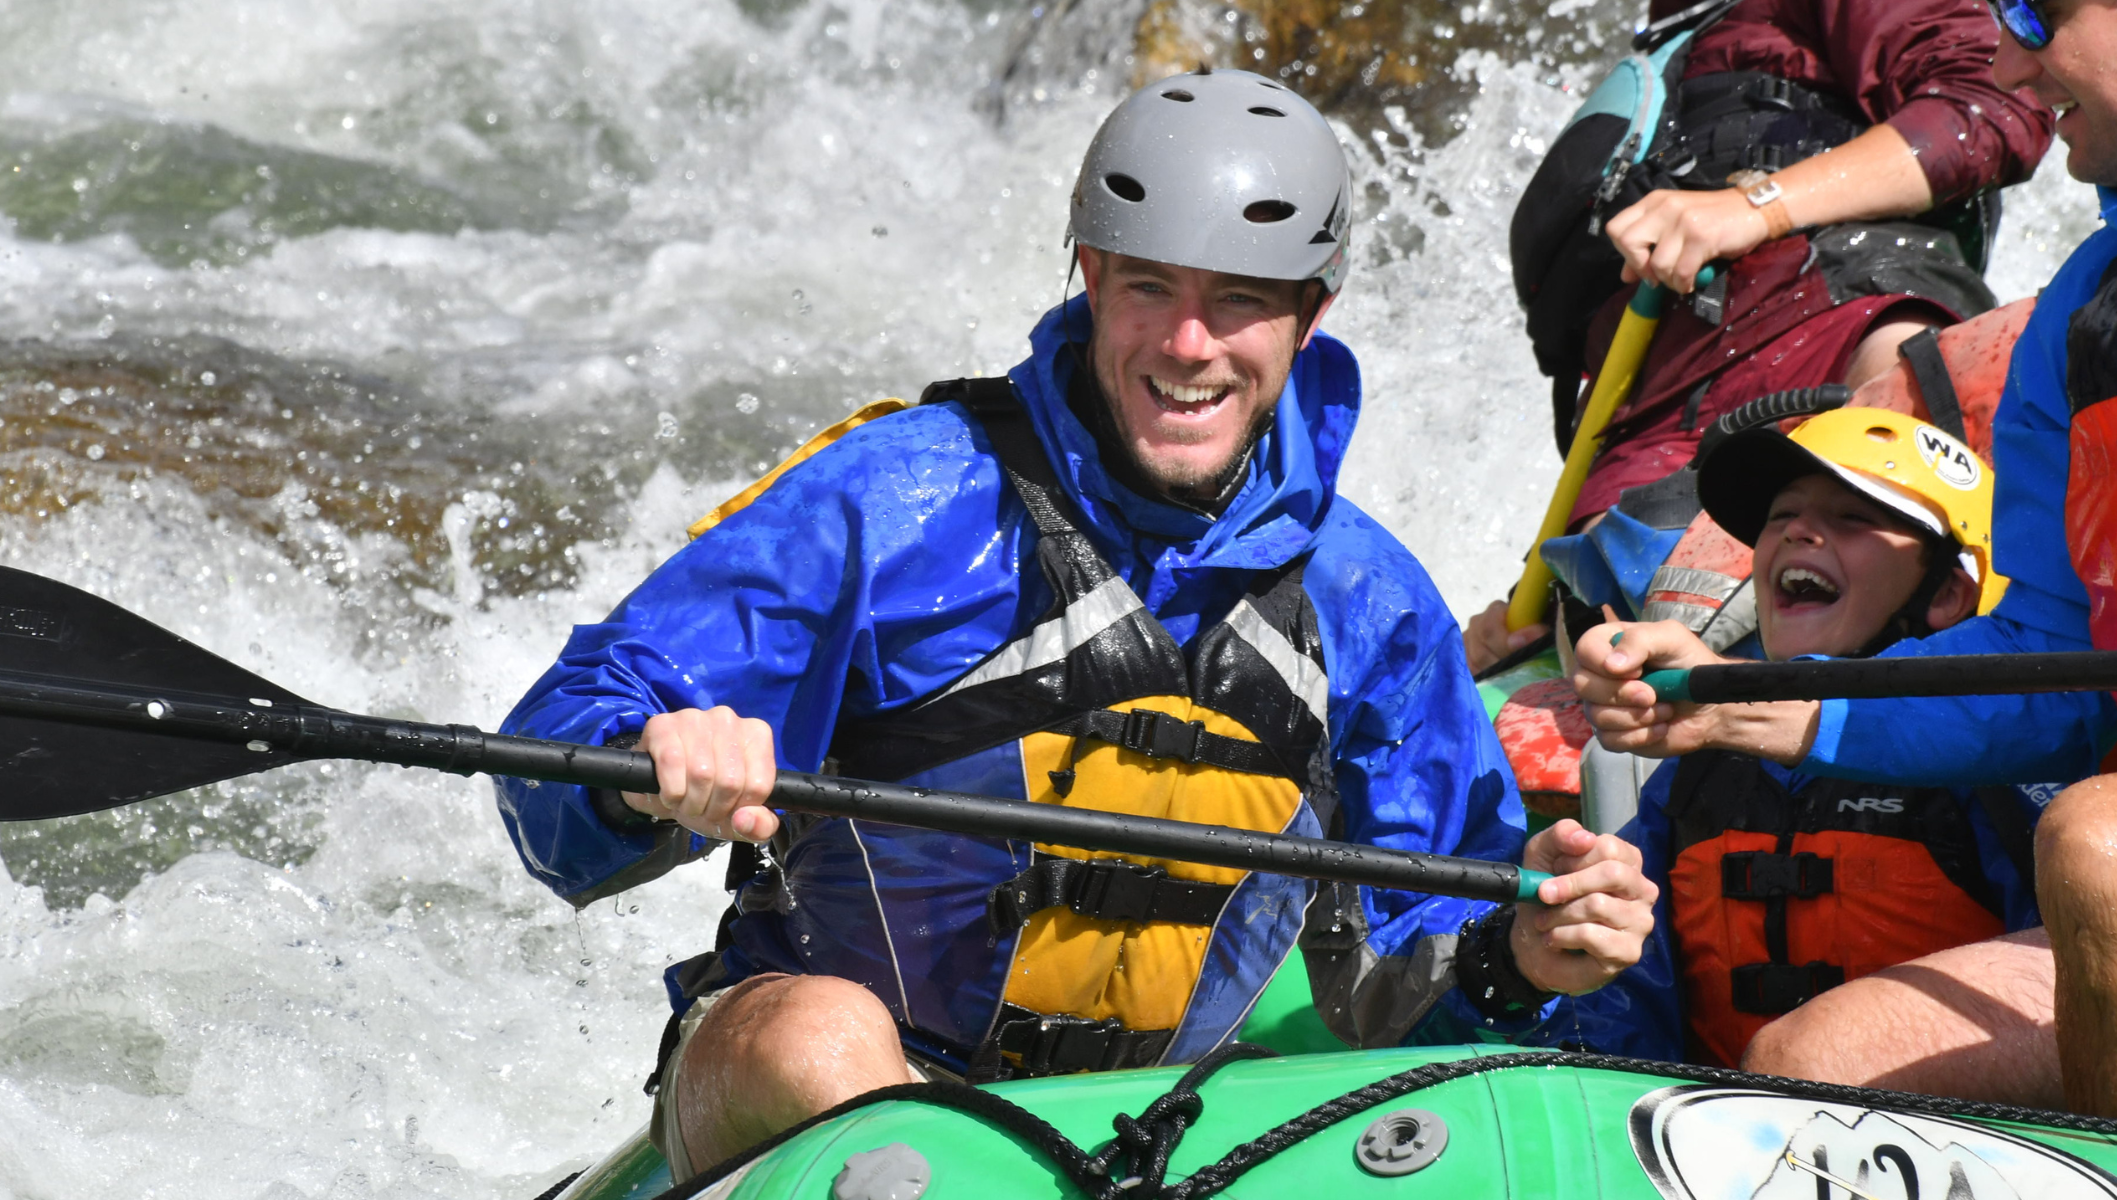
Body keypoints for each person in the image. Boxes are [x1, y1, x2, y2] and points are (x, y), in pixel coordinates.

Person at [494, 69, 1660, 1175]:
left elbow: (1417, 982)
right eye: (1151, 287)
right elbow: (560, 762)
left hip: (1151, 1140)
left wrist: (1521, 957)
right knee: (823, 1039)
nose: (1188, 346)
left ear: (1310, 316)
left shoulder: (1366, 598)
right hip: (803, 1092)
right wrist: (640, 768)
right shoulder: (893, 498)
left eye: (1239, 302)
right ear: (1093, 280)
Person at [1574, 0, 2117, 1117]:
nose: (2005, 58)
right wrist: (1735, 705)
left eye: (2040, 13)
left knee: (2098, 838)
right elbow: (2050, 678)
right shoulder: (2088, 316)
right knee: (1812, 1065)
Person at [1469, 0, 2054, 674]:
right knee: (1601, 643)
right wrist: (1529, 610)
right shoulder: (1682, 35)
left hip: (1845, 316)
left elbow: (1990, 110)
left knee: (1905, 405)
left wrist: (1755, 207)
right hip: (1653, 430)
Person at [1573, 409, 2044, 1070]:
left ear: (1946, 593)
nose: (1797, 529)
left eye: (1852, 517)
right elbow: (1624, 1003)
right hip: (1723, 1145)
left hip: (1967, 1144)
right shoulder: (1701, 771)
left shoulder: (1998, 762)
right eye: (1779, 515)